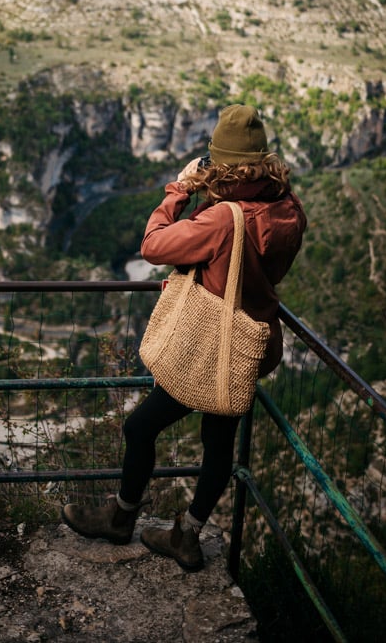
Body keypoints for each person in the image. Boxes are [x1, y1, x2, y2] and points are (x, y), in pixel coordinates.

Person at [62, 103, 307, 571]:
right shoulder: (288, 207)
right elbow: (245, 262)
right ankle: (187, 535)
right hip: (248, 344)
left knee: (139, 428)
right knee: (218, 446)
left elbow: (153, 245)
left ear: (224, 163)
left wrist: (179, 189)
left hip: (206, 343)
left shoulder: (223, 219)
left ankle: (120, 518)